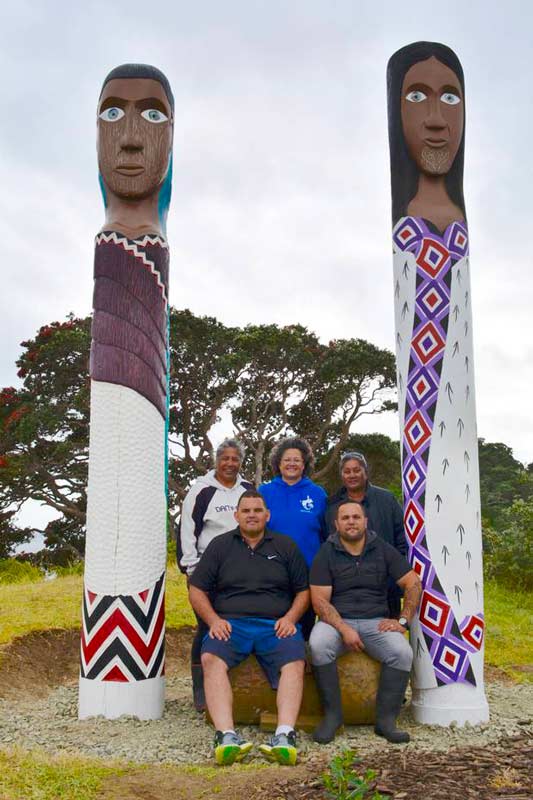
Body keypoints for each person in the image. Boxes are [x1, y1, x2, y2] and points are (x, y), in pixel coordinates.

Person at [189, 490, 309, 766]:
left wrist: (291, 618)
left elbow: (303, 591)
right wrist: (214, 621)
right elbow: (196, 590)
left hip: (275, 625)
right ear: (236, 515)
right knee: (210, 658)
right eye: (246, 511)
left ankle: (284, 735)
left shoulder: (285, 546)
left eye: (257, 510)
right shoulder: (219, 546)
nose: (252, 515)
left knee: (295, 661)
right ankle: (226, 736)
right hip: (231, 625)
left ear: (267, 515)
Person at [309, 500, 421, 744]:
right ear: (336, 524)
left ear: (365, 521)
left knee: (402, 652)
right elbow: (319, 602)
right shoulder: (326, 553)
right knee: (317, 645)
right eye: (345, 518)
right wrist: (344, 629)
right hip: (336, 621)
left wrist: (403, 620)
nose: (351, 521)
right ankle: (333, 717)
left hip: (376, 621)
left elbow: (413, 582)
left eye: (356, 517)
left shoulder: (382, 549)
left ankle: (386, 722)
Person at [177, 438, 253, 710]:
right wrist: (191, 568)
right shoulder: (202, 490)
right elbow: (187, 530)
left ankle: (233, 685)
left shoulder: (247, 489)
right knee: (208, 626)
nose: (230, 464)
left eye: (235, 459)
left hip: (243, 571)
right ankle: (201, 690)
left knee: (237, 624)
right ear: (216, 460)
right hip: (206, 572)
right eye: (225, 458)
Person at [259, 437, 327, 638]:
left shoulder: (317, 493)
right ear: (278, 463)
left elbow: (325, 532)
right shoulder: (264, 491)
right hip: (272, 569)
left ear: (304, 464)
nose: (291, 464)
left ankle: (304, 663)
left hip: (308, 571)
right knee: (274, 622)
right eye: (287, 459)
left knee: (305, 623)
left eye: (296, 460)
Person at [325, 451, 407, 616]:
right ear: (341, 475)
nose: (352, 475)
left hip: (386, 587)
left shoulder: (387, 499)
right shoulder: (331, 505)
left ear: (365, 471)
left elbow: (402, 538)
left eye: (357, 470)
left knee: (388, 632)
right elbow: (326, 541)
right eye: (347, 471)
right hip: (344, 590)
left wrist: (395, 572)